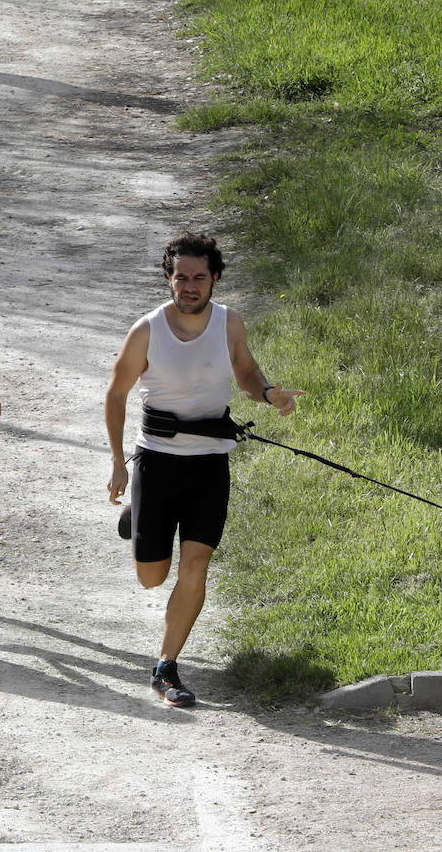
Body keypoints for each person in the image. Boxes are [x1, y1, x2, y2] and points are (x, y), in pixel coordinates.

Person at [104, 231, 302, 707]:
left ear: (214, 279)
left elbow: (246, 372)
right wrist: (118, 463)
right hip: (156, 461)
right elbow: (116, 394)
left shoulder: (229, 323)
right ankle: (139, 511)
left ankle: (166, 666)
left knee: (197, 563)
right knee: (152, 578)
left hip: (210, 464)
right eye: (180, 277)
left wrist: (268, 393)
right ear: (168, 279)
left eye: (198, 277)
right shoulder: (146, 330)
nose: (189, 286)